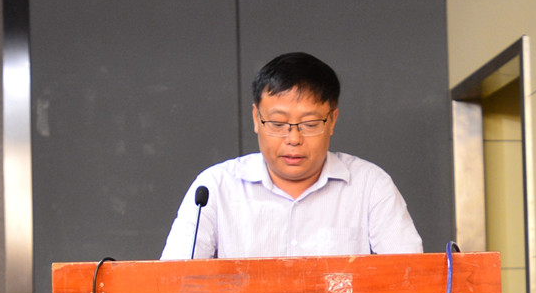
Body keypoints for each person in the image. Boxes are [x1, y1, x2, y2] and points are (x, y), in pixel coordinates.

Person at [160, 52, 422, 259]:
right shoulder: (214, 188)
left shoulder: (370, 186)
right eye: (277, 123)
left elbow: (411, 277)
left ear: (332, 121)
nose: (293, 139)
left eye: (310, 124)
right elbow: (173, 281)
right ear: (256, 118)